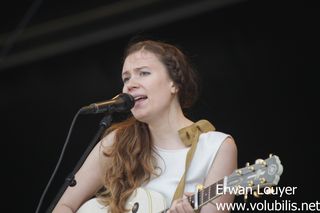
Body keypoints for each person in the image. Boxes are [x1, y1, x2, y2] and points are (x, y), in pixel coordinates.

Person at [53, 39, 237, 213]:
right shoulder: (118, 141)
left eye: (144, 73)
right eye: (126, 78)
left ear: (174, 83)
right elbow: (64, 206)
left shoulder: (217, 147)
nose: (130, 85)